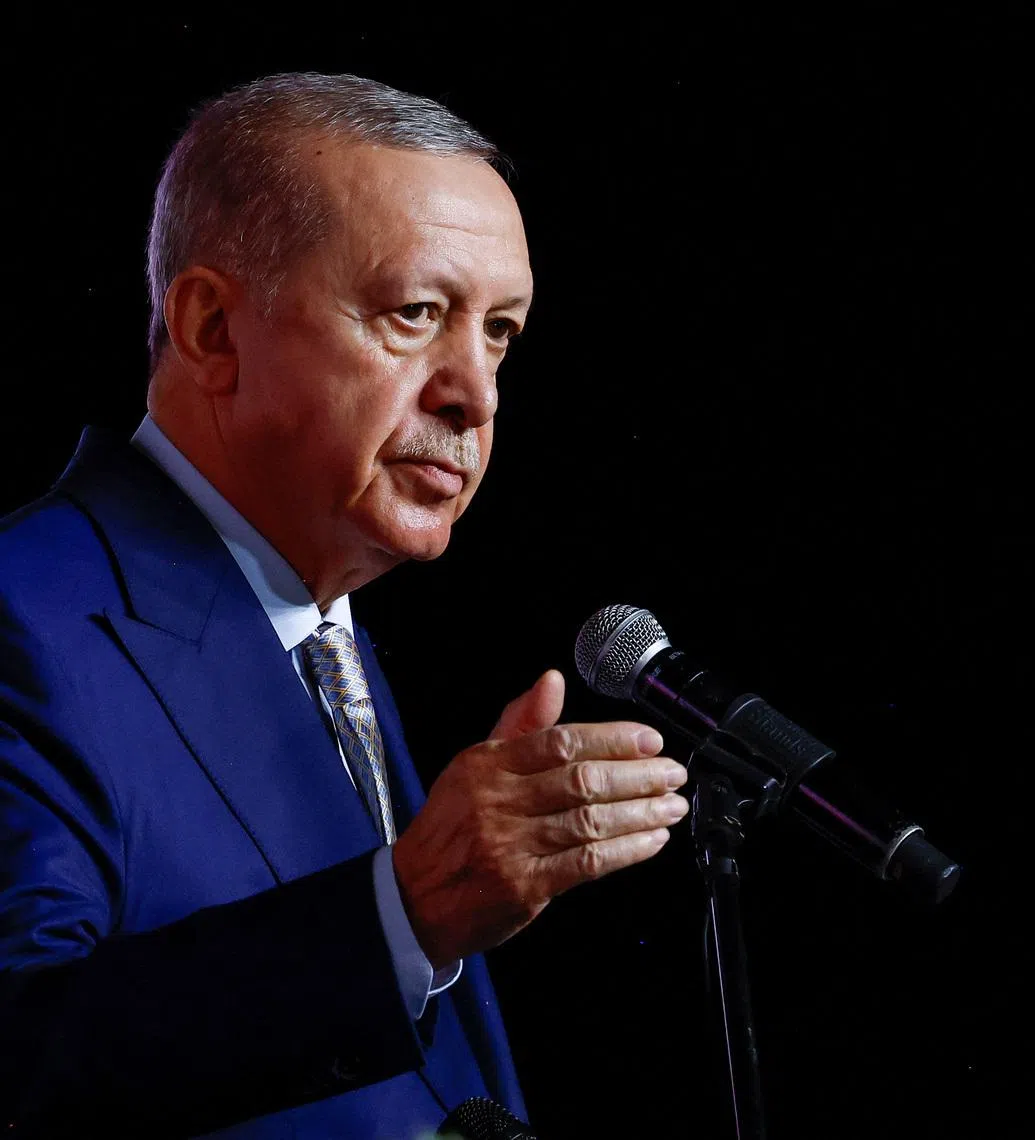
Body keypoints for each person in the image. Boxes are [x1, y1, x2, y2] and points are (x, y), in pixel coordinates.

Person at [0, 72, 689, 1139]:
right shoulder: (26, 615)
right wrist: (406, 913)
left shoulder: (318, 627)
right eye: (417, 314)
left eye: (500, 332)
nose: (476, 393)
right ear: (212, 328)